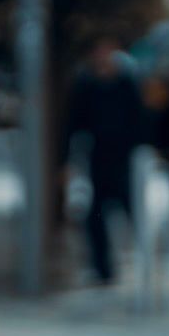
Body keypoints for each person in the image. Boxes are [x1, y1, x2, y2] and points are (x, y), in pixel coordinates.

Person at [65, 37, 147, 284]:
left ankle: (142, 264)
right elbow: (74, 123)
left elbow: (140, 120)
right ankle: (103, 268)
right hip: (98, 159)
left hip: (124, 160)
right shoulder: (86, 85)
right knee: (96, 217)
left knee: (133, 212)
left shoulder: (127, 84)